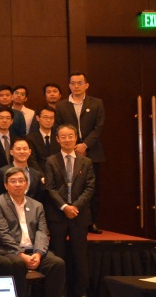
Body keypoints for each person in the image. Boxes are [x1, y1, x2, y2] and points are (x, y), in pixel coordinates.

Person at [0, 167, 66, 297]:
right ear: (6, 185)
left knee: (57, 263)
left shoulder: (37, 205)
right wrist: (21, 254)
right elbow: (2, 233)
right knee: (18, 264)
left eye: (21, 180)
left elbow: (42, 232)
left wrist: (38, 253)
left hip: (34, 250)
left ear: (26, 184)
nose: (18, 184)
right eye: (13, 181)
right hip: (10, 251)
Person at [44, 124, 95, 296]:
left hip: (79, 215)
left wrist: (75, 207)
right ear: (57, 139)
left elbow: (89, 188)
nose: (67, 140)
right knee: (59, 256)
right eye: (63, 137)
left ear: (76, 138)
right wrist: (65, 207)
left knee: (80, 256)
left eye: (70, 136)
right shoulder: (51, 160)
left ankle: (82, 291)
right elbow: (50, 188)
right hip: (58, 215)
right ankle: (61, 292)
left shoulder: (86, 162)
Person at [54, 72, 104, 234]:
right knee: (70, 186)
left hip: (92, 151)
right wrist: (73, 145)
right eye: (73, 83)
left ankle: (92, 221)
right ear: (69, 86)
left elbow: (99, 127)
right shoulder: (62, 106)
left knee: (91, 188)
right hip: (68, 150)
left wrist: (85, 145)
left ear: (86, 85)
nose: (76, 86)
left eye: (80, 83)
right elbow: (60, 127)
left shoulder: (96, 103)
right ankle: (69, 220)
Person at [0, 138, 45, 204]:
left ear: (29, 152)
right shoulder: (2, 172)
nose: (22, 152)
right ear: (11, 152)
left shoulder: (36, 174)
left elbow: (39, 198)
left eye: (25, 149)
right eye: (18, 149)